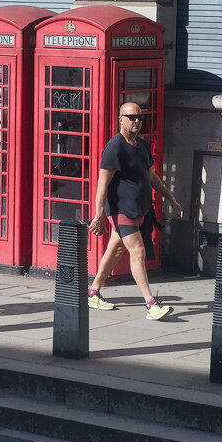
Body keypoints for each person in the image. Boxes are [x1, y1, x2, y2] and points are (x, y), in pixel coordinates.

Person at [86, 102, 183, 320]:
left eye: (139, 118)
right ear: (121, 119)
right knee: (137, 251)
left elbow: (151, 176)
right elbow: (102, 183)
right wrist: (98, 215)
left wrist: (171, 198)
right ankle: (151, 304)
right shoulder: (115, 147)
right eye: (131, 117)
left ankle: (93, 292)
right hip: (122, 210)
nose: (137, 121)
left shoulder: (142, 144)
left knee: (116, 249)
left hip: (140, 208)